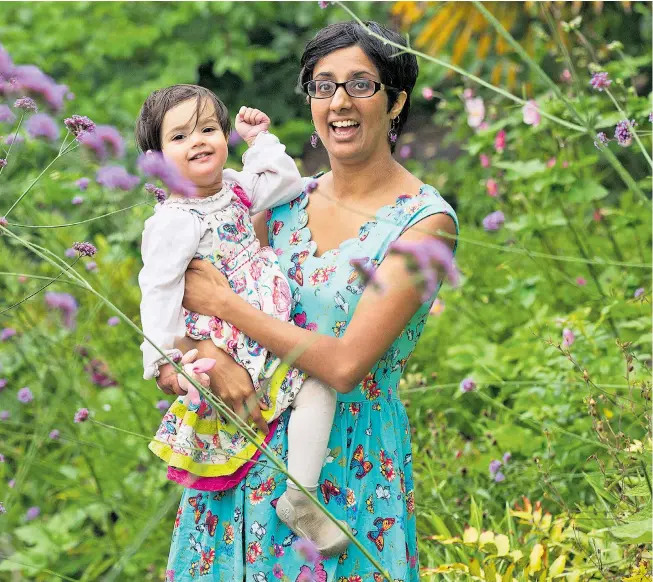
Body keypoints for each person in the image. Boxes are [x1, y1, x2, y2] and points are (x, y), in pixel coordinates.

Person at [159, 21, 459, 581]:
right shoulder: (284, 202)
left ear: (396, 102)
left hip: (340, 476)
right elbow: (191, 305)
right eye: (324, 86)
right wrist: (206, 359)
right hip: (239, 456)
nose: (339, 102)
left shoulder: (423, 225)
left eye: (360, 85)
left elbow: (346, 366)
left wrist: (229, 309)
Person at [136, 85, 350, 554]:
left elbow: (288, 181)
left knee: (316, 390)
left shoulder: (234, 187)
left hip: (257, 329)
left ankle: (300, 495)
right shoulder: (174, 221)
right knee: (261, 419)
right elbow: (157, 293)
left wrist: (259, 141)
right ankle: (267, 518)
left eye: (209, 129)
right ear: (155, 160)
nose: (199, 141)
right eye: (180, 136)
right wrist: (165, 360)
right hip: (228, 344)